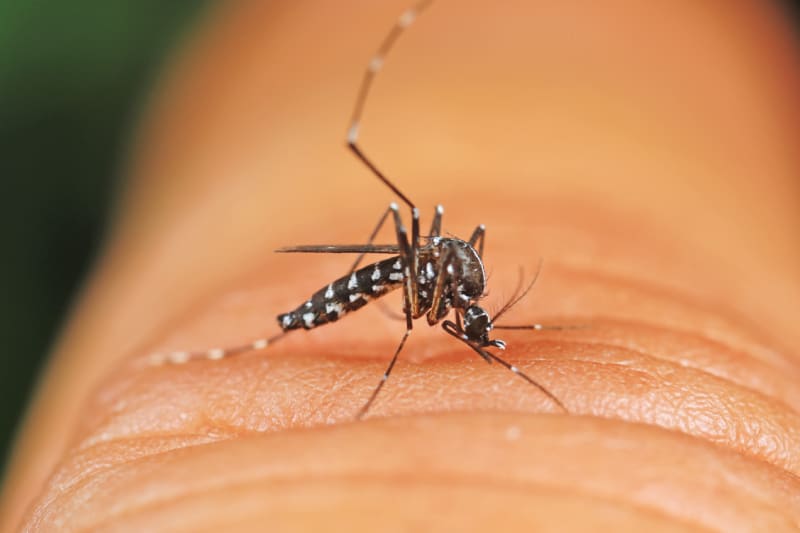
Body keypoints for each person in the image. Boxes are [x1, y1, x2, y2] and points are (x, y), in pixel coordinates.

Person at [3, 1, 799, 529]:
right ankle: (264, 333)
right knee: (406, 218)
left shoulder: (461, 284)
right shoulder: (441, 280)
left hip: (411, 269)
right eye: (474, 320)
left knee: (434, 237)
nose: (475, 323)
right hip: (383, 271)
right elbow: (421, 257)